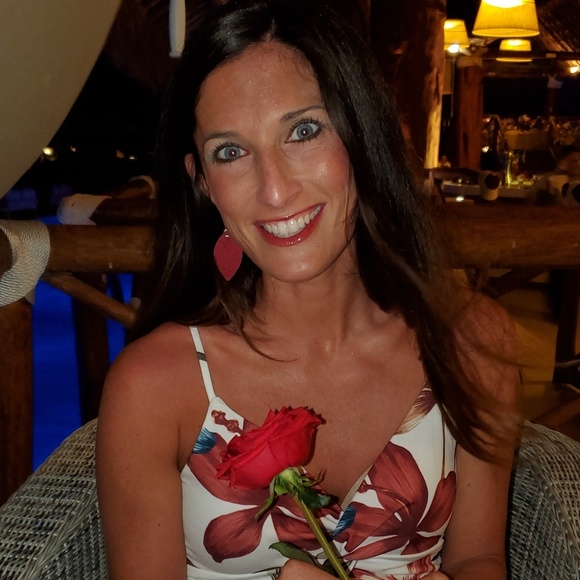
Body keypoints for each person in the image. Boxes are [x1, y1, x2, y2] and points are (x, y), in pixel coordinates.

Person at [95, 1, 519, 578]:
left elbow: (478, 558)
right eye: (230, 152)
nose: (274, 190)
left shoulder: (472, 341)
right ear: (203, 184)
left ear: (361, 135)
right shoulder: (153, 386)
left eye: (303, 131)